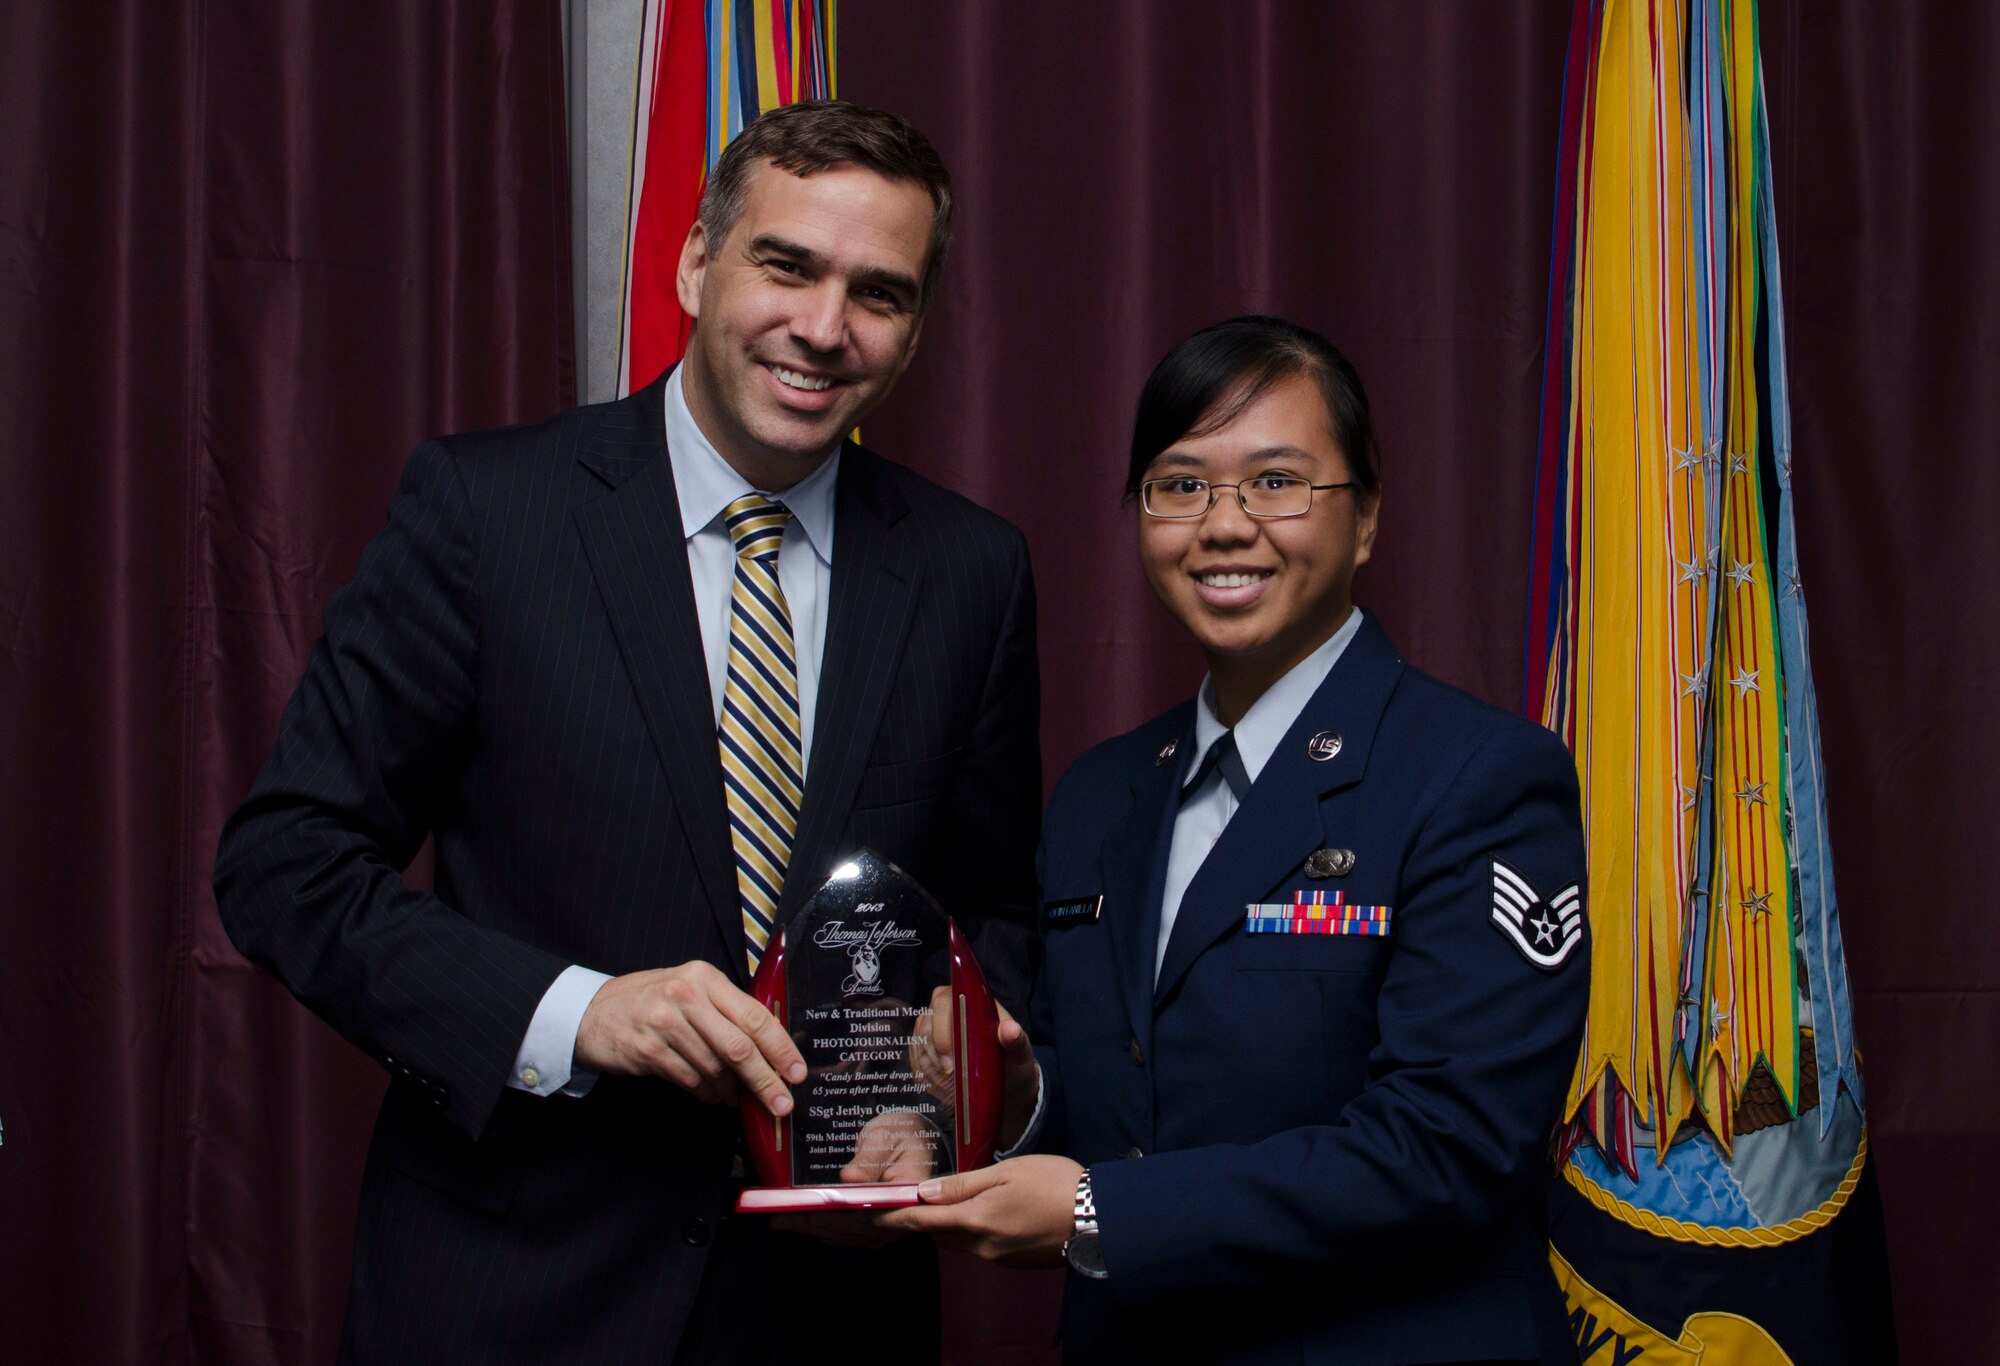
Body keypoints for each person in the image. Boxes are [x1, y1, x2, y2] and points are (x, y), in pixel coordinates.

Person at [213, 100, 1039, 1365]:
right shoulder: (485, 512)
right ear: (696, 261)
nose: (823, 329)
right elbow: (285, 861)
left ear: (917, 328)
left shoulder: (971, 571)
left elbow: (992, 920)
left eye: (878, 292)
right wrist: (576, 1013)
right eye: (785, 265)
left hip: (830, 1316)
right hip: (512, 1294)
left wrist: (944, 1102)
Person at [885, 316, 1590, 1364]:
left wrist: (1097, 1214)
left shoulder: (1477, 777)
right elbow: (1127, 1103)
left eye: (1275, 482)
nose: (1222, 525)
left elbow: (1447, 1148)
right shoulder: (1100, 794)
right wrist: (1014, 1087)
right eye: (1179, 485)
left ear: (1363, 520)